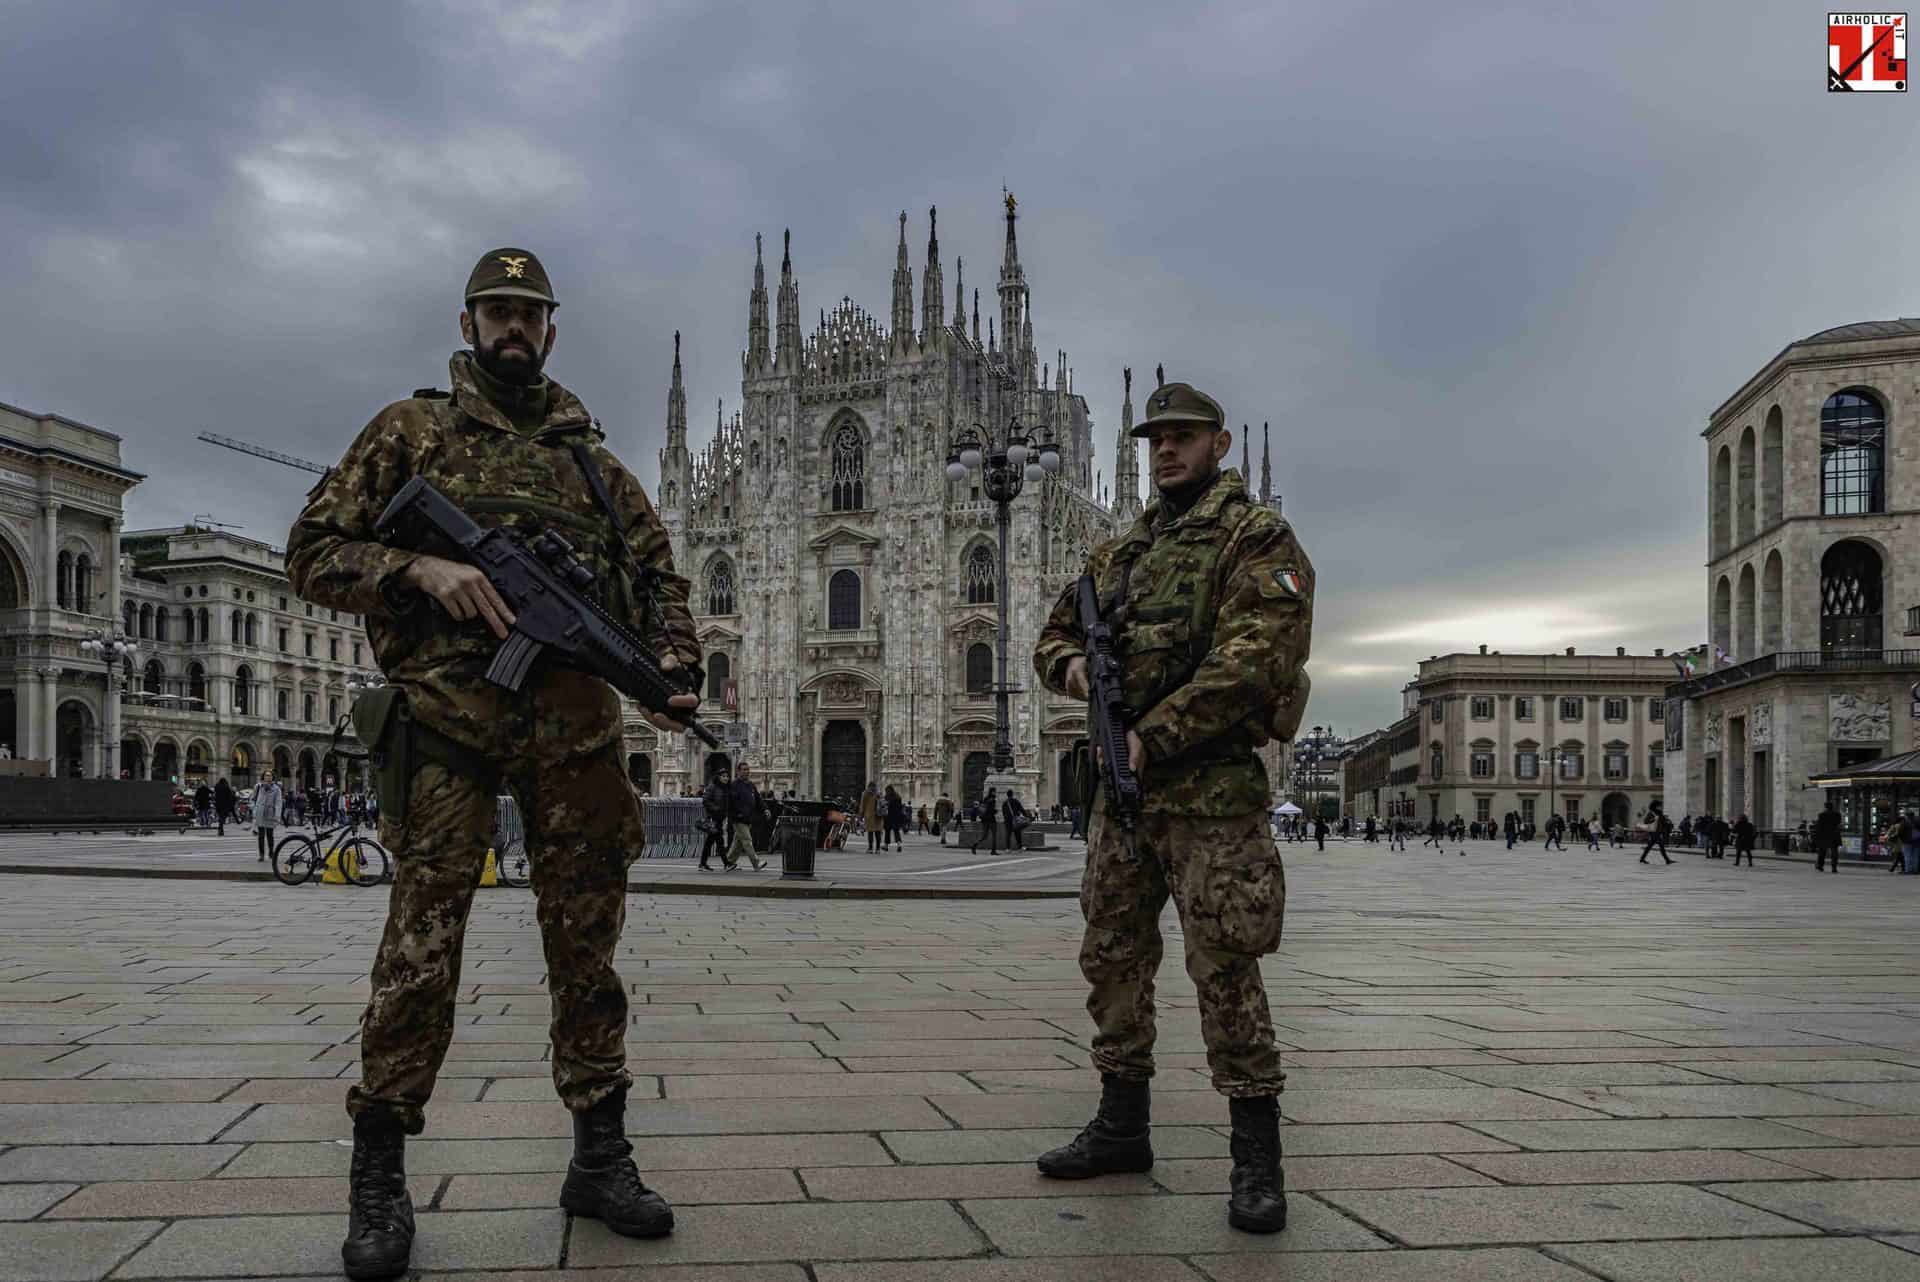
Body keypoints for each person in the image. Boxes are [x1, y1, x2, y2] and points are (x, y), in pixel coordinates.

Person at [286, 247, 702, 1277]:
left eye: (531, 313)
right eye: (498, 311)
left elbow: (661, 579)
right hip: (449, 729)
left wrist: (676, 666)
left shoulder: (594, 466)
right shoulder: (411, 431)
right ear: (470, 322)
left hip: (575, 739)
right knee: (421, 953)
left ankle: (600, 1155)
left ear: (552, 329)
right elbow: (312, 551)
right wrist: (419, 566)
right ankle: (380, 1170)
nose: (515, 328)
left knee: (588, 950)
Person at [1030, 379, 1308, 1235]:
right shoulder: (1121, 552)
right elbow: (1051, 637)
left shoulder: (1255, 536)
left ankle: (1255, 1156)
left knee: (1224, 964)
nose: (1166, 451)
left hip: (1211, 797)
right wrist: (1075, 672)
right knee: (1112, 955)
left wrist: (1155, 732)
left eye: (1183, 436)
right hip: (1124, 799)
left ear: (1219, 444)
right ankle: (1122, 1125)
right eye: (1155, 439)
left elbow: (1256, 662)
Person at [724, 761, 767, 872]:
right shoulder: (734, 785)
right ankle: (756, 863)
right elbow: (731, 802)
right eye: (744, 769)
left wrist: (765, 809)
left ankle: (729, 862)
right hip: (738, 819)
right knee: (747, 840)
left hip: (748, 818)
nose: (747, 772)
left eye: (748, 769)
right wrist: (737, 814)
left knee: (738, 843)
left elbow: (758, 799)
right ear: (738, 771)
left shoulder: (750, 785)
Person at [698, 771, 728, 871]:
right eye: (723, 776)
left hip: (719, 818)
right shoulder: (712, 787)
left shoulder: (724, 788)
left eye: (727, 776)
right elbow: (705, 800)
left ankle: (702, 863)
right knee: (719, 841)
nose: (726, 778)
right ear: (718, 777)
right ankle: (726, 863)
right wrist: (716, 809)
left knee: (709, 842)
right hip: (713, 818)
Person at [252, 770, 284, 864]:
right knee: (261, 836)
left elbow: (278, 803)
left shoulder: (277, 789)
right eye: (266, 775)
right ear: (263, 776)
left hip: (270, 814)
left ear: (272, 777)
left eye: (270, 775)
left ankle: (271, 852)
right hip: (260, 813)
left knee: (270, 835)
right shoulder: (258, 786)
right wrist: (254, 809)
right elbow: (253, 799)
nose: (268, 777)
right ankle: (261, 855)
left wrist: (277, 816)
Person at [1813, 801, 1843, 873]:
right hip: (1834, 834)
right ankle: (1834, 867)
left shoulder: (1821, 815)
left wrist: (1816, 836)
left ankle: (1820, 866)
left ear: (1825, 807)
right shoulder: (1837, 814)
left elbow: (1819, 826)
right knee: (1834, 852)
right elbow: (1838, 823)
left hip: (1824, 835)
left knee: (1822, 852)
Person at [971, 786, 1000, 854]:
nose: (996, 793)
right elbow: (991, 810)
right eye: (995, 791)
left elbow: (983, 809)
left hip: (984, 820)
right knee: (994, 836)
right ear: (993, 792)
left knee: (984, 836)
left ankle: (975, 844)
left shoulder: (985, 799)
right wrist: (995, 811)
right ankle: (993, 850)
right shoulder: (993, 800)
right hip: (991, 820)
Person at [884, 784, 906, 851]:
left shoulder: (888, 797)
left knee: (887, 831)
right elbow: (900, 806)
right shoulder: (898, 796)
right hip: (897, 816)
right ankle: (899, 845)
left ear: (889, 790)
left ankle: (886, 846)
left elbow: (886, 805)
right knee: (896, 831)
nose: (886, 792)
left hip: (889, 816)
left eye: (886, 791)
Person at [860, 783, 881, 853]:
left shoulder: (865, 793)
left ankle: (870, 848)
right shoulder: (879, 793)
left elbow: (862, 806)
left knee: (870, 832)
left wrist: (861, 816)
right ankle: (878, 849)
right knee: (878, 832)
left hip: (869, 815)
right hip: (878, 816)